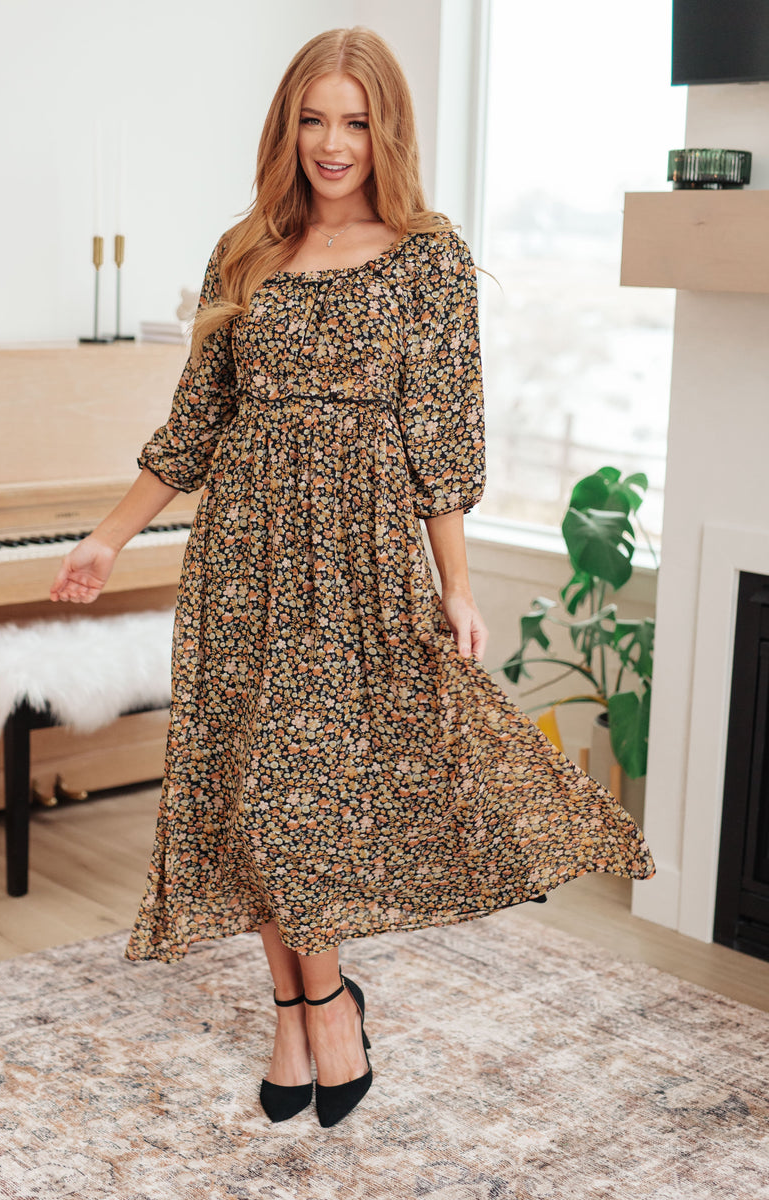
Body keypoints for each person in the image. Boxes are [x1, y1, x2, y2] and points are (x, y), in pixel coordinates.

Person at [51, 26, 654, 1129]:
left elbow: (440, 438)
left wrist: (457, 585)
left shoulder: (426, 257)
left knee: (300, 805)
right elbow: (194, 426)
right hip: (244, 560)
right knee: (257, 799)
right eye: (314, 119)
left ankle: (321, 1000)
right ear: (288, 126)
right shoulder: (243, 253)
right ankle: (306, 1012)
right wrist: (109, 538)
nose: (333, 143)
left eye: (356, 120)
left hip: (360, 563)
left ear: (388, 130)